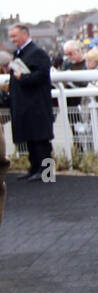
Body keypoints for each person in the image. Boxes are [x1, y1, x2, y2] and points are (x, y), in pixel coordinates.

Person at [5, 23, 55, 181]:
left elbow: (42, 75)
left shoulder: (38, 52)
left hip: (37, 104)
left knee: (41, 139)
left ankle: (47, 171)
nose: (13, 40)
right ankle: (34, 168)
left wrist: (23, 78)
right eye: (11, 37)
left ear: (25, 34)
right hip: (25, 104)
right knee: (30, 138)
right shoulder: (20, 53)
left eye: (15, 36)